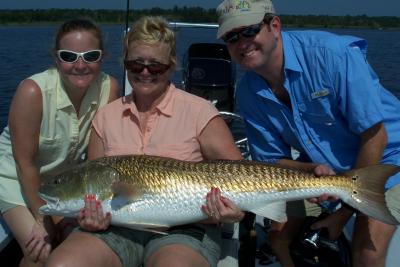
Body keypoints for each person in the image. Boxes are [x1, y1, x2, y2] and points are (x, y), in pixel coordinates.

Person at [45, 16, 245, 267]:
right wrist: (89, 217)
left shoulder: (200, 112)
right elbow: (92, 186)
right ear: (126, 65)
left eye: (156, 66)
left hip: (186, 230)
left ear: (171, 66)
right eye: (136, 65)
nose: (145, 72)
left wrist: (236, 211)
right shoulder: (106, 117)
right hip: (114, 229)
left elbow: (241, 175)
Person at [215, 0, 400, 267]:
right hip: (331, 173)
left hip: (389, 159)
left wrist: (343, 213)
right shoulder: (248, 92)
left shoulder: (333, 55)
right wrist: (311, 168)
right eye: (231, 37)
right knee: (278, 238)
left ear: (274, 26)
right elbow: (271, 161)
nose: (242, 43)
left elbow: (376, 137)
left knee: (366, 252)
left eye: (249, 31)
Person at [0, 18, 120, 266]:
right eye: (68, 56)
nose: (79, 65)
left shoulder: (109, 88)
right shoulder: (33, 92)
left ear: (102, 57)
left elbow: (100, 153)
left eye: (90, 56)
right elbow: (25, 164)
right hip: (15, 179)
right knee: (40, 250)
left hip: (64, 183)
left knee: (75, 245)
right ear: (56, 58)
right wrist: (41, 216)